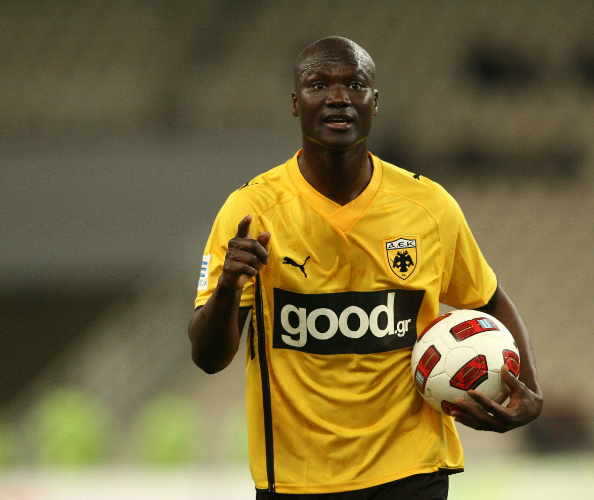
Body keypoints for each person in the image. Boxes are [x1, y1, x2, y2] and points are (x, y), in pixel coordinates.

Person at [189, 36, 543, 499]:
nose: (338, 97)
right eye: (319, 85)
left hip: (412, 471)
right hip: (297, 479)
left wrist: (528, 390)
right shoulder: (251, 211)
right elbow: (208, 358)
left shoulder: (429, 207)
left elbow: (491, 301)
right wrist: (228, 288)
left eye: (355, 85)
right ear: (295, 103)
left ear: (375, 102)